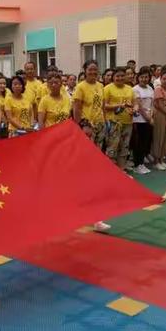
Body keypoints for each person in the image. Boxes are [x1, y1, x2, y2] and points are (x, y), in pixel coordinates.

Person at [73, 60, 110, 232]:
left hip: (99, 126)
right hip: (86, 128)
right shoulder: (80, 87)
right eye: (90, 69)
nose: (93, 72)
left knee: (94, 166)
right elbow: (77, 108)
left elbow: (101, 106)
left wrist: (105, 121)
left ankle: (95, 215)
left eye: (95, 69)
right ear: (85, 70)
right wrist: (81, 126)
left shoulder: (101, 86)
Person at [103, 67, 135, 170]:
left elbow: (135, 103)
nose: (120, 78)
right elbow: (104, 106)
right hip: (113, 123)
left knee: (124, 147)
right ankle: (111, 171)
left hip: (128, 122)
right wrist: (119, 105)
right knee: (112, 148)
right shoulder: (107, 88)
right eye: (117, 76)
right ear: (113, 77)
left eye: (122, 76)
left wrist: (134, 109)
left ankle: (122, 169)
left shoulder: (129, 89)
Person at [132, 67, 155, 175]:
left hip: (148, 119)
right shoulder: (135, 89)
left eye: (146, 77)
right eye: (142, 77)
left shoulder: (150, 89)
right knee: (138, 143)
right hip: (139, 120)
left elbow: (152, 104)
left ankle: (141, 163)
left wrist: (151, 117)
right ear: (138, 78)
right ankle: (137, 165)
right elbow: (139, 106)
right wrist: (147, 117)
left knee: (145, 142)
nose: (144, 79)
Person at [152, 68, 166, 170]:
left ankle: (162, 159)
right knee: (159, 137)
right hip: (160, 115)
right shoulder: (158, 89)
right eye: (164, 78)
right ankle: (156, 160)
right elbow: (159, 105)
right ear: (160, 79)